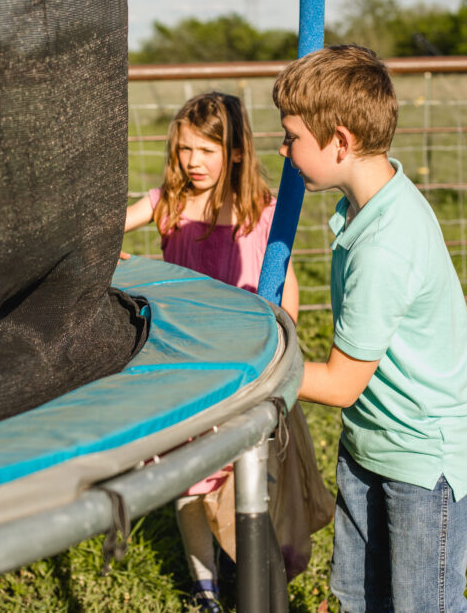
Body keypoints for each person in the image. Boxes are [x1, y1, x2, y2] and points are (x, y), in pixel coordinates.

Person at [271, 44, 467, 612]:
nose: (283, 147)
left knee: (424, 604)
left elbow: (342, 385)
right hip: (372, 439)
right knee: (359, 596)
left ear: (339, 141)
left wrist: (258, 374)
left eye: (292, 136)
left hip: (420, 452)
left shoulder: (384, 245)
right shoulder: (370, 204)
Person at [124, 91, 299, 612]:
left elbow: (286, 287)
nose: (193, 163)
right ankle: (204, 591)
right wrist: (140, 271)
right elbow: (102, 233)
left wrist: (283, 352)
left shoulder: (261, 210)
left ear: (237, 152)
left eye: (206, 150)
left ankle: (253, 580)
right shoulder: (168, 204)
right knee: (187, 482)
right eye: (183, 150)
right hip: (182, 369)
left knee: (241, 481)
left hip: (242, 369)